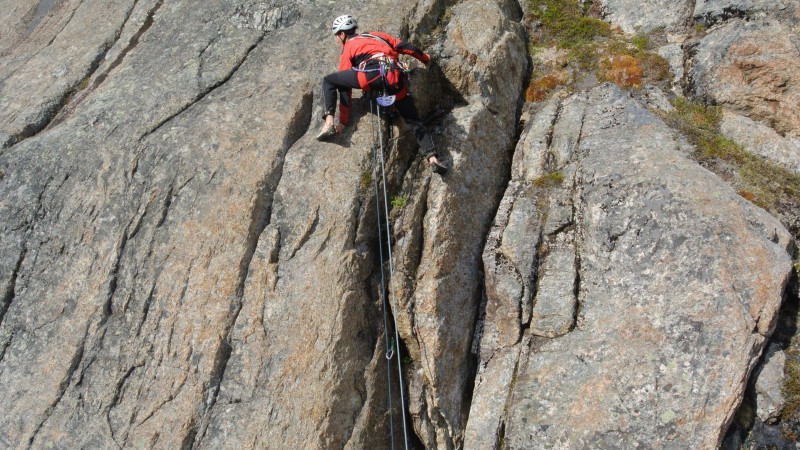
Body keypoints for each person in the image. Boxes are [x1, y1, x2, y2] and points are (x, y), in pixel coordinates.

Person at [318, 14, 448, 174]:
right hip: (396, 79)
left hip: (371, 76)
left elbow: (345, 89)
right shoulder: (377, 36)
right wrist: (426, 59)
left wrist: (343, 121)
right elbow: (406, 47)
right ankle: (433, 158)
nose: (337, 41)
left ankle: (328, 123)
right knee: (414, 121)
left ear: (342, 34)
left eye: (337, 37)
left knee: (329, 80)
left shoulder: (349, 48)